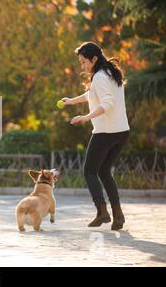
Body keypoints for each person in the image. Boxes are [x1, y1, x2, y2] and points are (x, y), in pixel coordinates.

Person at [61, 41, 130, 231]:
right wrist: (71, 101)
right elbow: (92, 95)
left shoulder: (100, 77)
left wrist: (85, 117)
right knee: (104, 171)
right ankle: (118, 215)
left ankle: (102, 212)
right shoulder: (110, 73)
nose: (82, 66)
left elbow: (106, 103)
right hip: (121, 132)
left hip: (106, 132)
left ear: (94, 59)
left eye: (84, 62)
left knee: (90, 171)